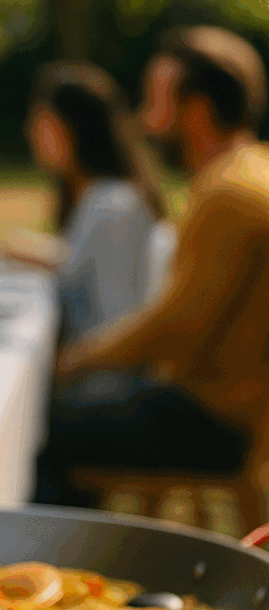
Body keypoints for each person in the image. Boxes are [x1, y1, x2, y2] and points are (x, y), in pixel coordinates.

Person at [34, 26, 269, 508]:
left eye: (155, 103)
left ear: (196, 110)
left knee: (30, 426)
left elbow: (177, 326)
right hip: (228, 412)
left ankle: (62, 551)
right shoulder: (251, 170)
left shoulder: (228, 193)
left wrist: (79, 359)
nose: (144, 120)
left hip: (213, 421)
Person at [21, 62, 168, 342]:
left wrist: (67, 363)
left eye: (43, 124)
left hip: (99, 364)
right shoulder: (99, 199)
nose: (30, 133)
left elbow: (116, 319)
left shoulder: (114, 205)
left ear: (75, 129)